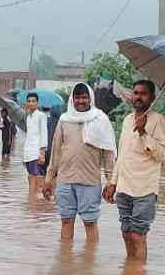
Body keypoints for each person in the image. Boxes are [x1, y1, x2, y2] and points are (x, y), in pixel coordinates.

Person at [42, 83, 117, 242]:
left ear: (90, 99)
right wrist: (49, 179)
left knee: (90, 223)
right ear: (72, 99)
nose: (81, 101)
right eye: (77, 98)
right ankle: (66, 259)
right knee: (66, 221)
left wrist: (111, 181)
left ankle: (89, 261)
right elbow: (55, 151)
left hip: (89, 181)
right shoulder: (64, 119)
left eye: (84, 98)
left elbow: (109, 153)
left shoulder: (100, 119)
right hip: (64, 180)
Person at [104, 79, 165, 261]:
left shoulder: (158, 121)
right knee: (126, 233)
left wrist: (143, 133)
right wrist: (112, 182)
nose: (138, 97)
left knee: (138, 235)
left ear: (152, 97)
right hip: (124, 187)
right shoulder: (126, 121)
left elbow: (162, 155)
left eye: (143, 93)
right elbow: (122, 154)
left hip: (144, 189)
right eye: (136, 93)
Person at [21, 93, 49, 198]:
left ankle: (36, 201)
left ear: (37, 103)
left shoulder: (41, 116)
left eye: (33, 101)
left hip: (36, 152)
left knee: (37, 178)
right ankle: (31, 199)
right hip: (28, 152)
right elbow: (29, 137)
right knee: (30, 177)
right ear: (26, 103)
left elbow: (44, 134)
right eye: (28, 101)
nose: (31, 103)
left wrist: (42, 153)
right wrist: (25, 156)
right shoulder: (28, 117)